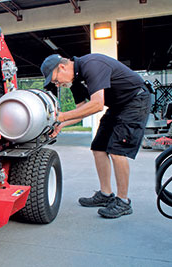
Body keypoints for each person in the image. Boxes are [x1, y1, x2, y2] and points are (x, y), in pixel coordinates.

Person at [41, 53, 151, 218]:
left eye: (56, 80)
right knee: (98, 148)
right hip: (117, 106)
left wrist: (62, 116)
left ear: (62, 67)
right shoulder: (75, 83)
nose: (58, 84)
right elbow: (81, 112)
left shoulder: (92, 65)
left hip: (135, 101)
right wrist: (61, 124)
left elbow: (97, 104)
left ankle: (123, 201)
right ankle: (106, 194)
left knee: (117, 150)